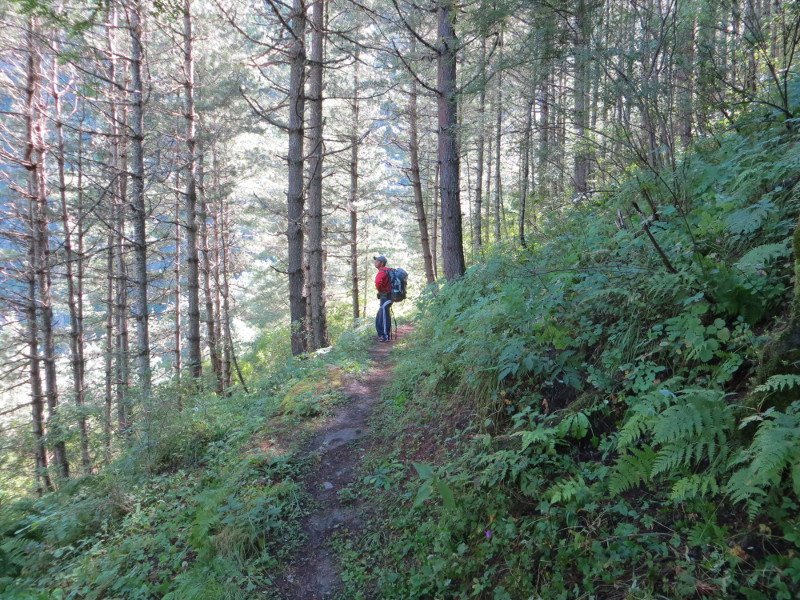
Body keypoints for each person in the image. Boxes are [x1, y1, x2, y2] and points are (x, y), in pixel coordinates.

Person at [373, 255, 392, 342]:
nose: (375, 262)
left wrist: (380, 291)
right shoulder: (388, 270)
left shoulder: (382, 272)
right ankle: (383, 335)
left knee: (384, 316)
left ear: (382, 263)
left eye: (377, 261)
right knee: (382, 315)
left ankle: (385, 336)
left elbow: (377, 282)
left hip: (385, 296)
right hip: (388, 296)